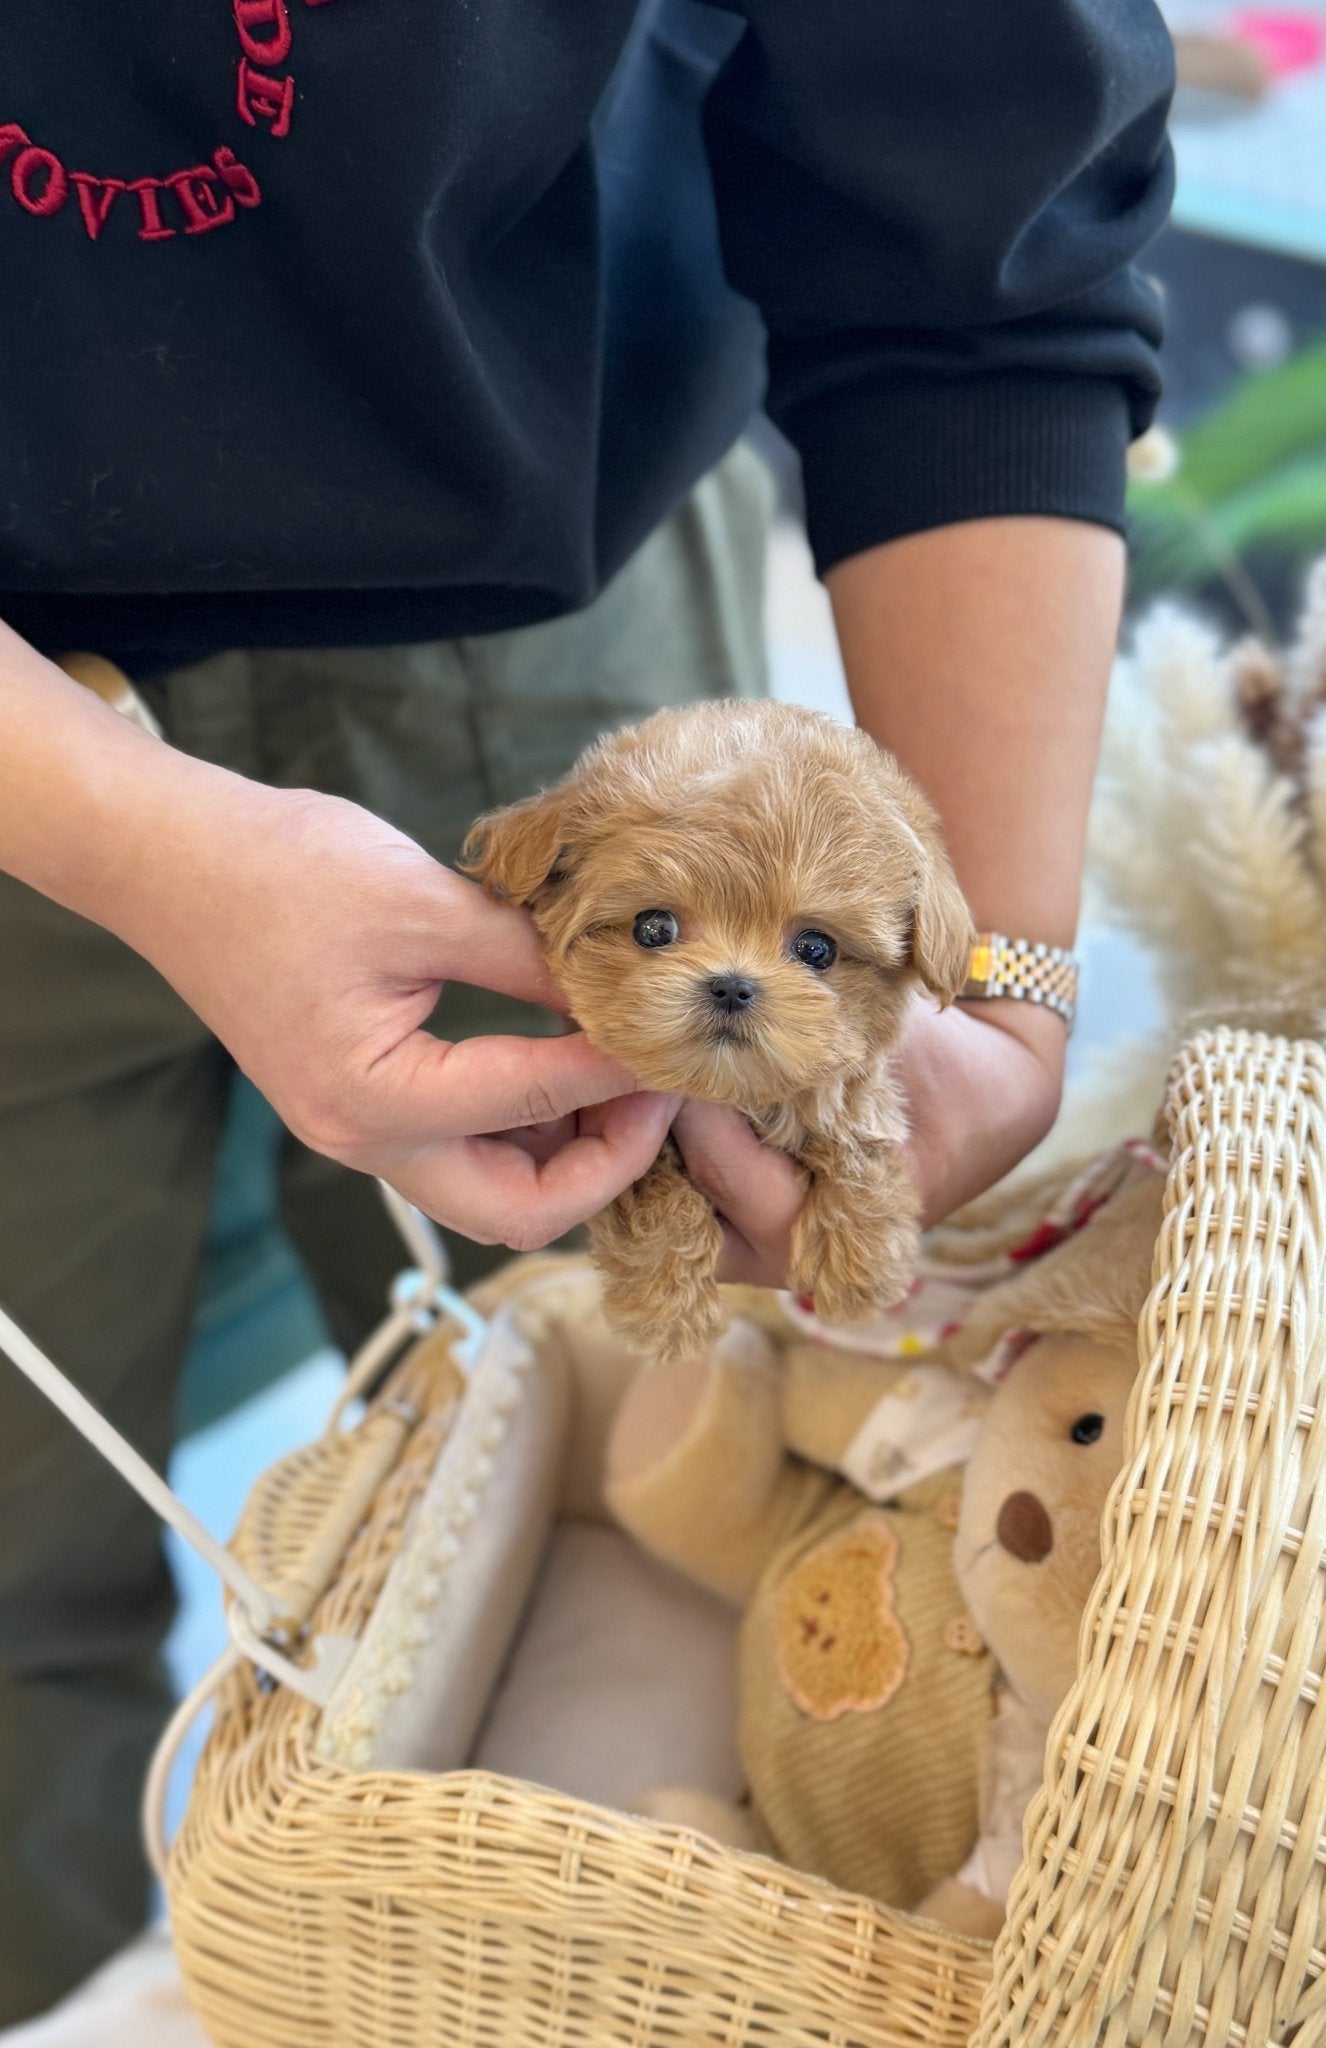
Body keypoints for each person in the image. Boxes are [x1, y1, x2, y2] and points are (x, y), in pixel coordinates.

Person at [0, 0, 1175, 2021]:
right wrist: (114, 824)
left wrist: (1006, 979)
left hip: (561, 581)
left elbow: (988, 212)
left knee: (654, 1401)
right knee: (23, 1540)